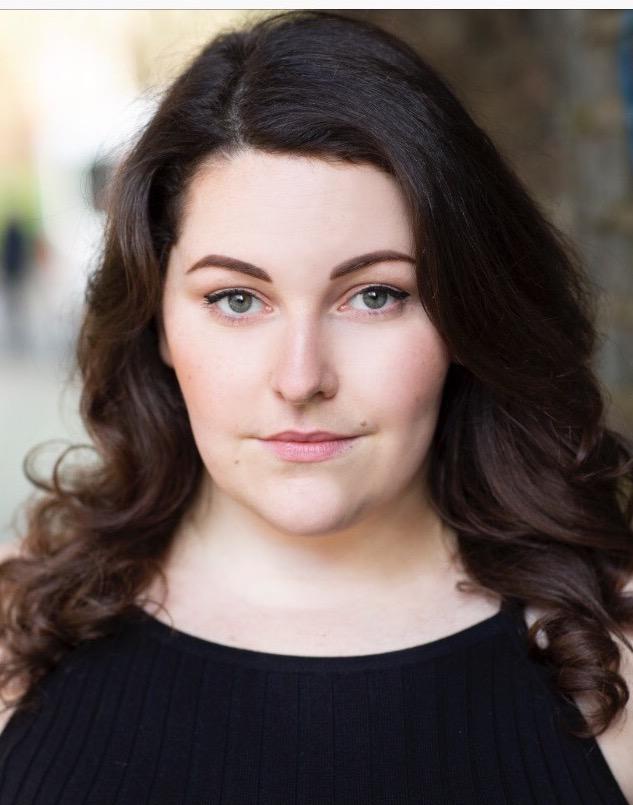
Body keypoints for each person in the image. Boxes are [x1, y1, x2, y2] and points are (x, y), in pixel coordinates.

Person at [0, 10, 632, 804]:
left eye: (374, 295)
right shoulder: (18, 630)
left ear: (466, 316)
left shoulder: (613, 652)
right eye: (236, 298)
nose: (300, 378)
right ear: (157, 322)